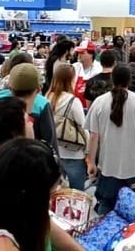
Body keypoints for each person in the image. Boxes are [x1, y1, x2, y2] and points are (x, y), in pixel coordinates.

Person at [0, 98, 82, 251]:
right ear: (14, 138)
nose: (32, 123)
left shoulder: (13, 195)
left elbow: (46, 224)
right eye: (27, 120)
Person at [85, 65, 135, 215]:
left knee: (106, 206)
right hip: (134, 164)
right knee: (133, 208)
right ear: (130, 80)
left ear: (112, 79)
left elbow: (94, 135)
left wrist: (91, 162)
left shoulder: (99, 102)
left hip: (108, 164)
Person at [48, 63, 87, 191]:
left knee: (57, 192)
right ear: (70, 79)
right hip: (73, 152)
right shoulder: (72, 101)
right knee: (77, 192)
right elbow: (83, 126)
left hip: (54, 151)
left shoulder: (47, 98)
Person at [5, 63, 60, 154]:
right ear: (39, 89)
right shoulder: (42, 104)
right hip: (36, 162)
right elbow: (50, 140)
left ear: (10, 88)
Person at [73, 40, 101, 108]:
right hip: (75, 107)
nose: (79, 55)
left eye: (82, 53)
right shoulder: (73, 67)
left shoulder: (99, 69)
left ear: (91, 54)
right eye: (78, 52)